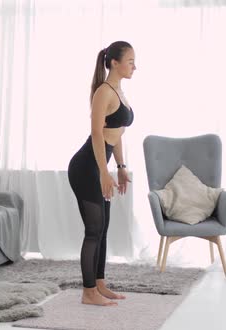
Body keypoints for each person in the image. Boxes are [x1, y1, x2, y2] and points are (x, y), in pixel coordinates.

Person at [67, 41, 136, 306]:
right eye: (130, 61)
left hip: (101, 166)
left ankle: (100, 285)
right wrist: (103, 172)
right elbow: (97, 134)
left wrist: (120, 167)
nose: (134, 66)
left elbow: (116, 133)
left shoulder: (119, 92)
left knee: (103, 228)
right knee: (94, 230)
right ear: (115, 63)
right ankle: (87, 292)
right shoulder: (103, 92)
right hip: (86, 168)